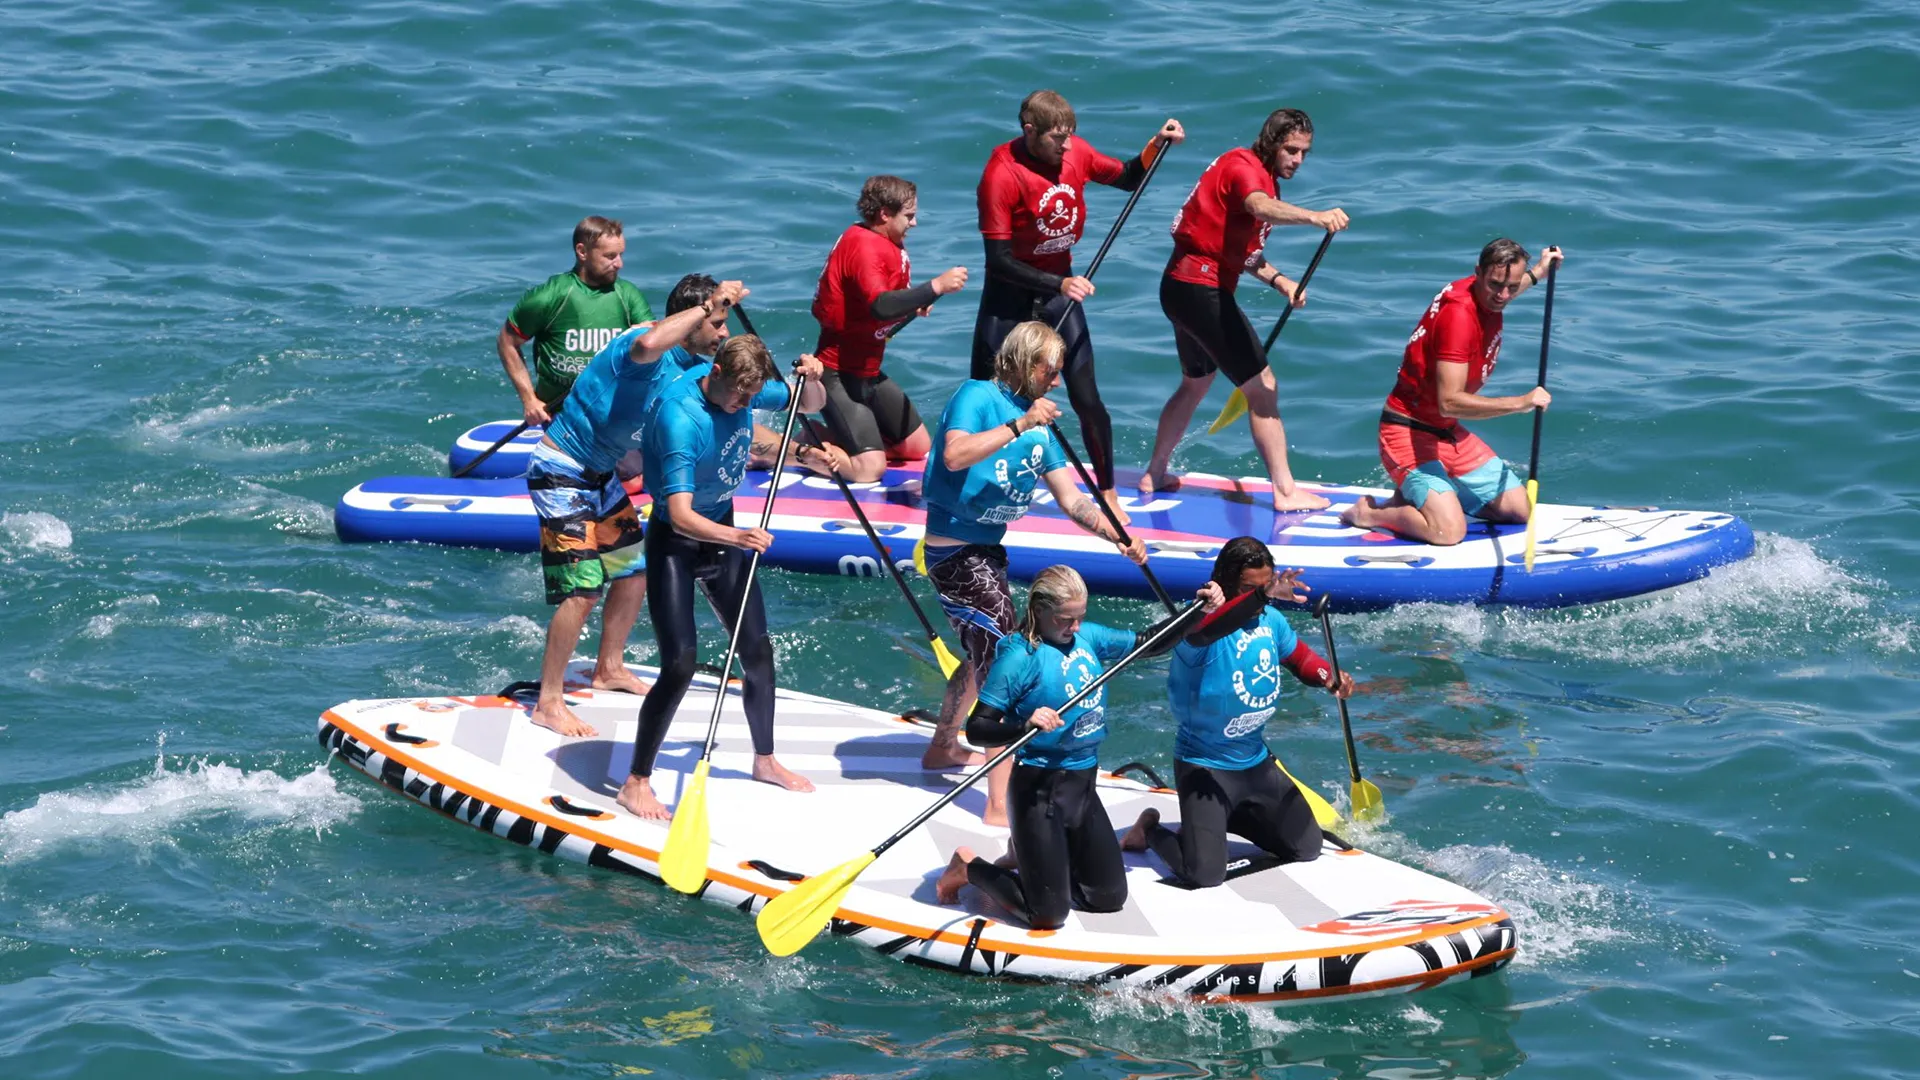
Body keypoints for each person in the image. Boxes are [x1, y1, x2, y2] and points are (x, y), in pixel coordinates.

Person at [919, 321, 1147, 826]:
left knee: (982, 652)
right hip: (953, 551)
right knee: (1005, 656)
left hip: (989, 552)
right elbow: (954, 456)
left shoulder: (1042, 427)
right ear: (1024, 363)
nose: (1057, 381)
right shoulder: (978, 397)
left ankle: (941, 748)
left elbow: (1073, 501)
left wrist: (1116, 534)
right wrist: (1020, 425)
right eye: (1051, 371)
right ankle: (999, 805)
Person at [616, 336, 846, 820]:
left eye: (752, 396)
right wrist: (738, 536)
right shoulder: (680, 416)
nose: (745, 404)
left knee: (757, 650)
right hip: (677, 542)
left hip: (722, 529)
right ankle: (635, 782)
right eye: (740, 395)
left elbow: (808, 402)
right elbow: (680, 514)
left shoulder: (743, 386)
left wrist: (814, 378)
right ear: (716, 371)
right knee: (680, 664)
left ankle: (765, 760)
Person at [934, 566, 1224, 929]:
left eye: (1079, 617)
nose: (1074, 627)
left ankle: (1031, 857)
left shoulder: (1088, 637)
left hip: (1082, 787)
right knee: (1047, 915)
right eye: (1065, 619)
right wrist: (1024, 726)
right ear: (1039, 611)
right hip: (1038, 790)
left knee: (1107, 898)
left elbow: (1149, 642)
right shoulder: (1019, 657)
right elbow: (979, 728)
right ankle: (968, 867)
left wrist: (1197, 611)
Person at [522, 278, 749, 738]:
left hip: (600, 476)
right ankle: (548, 702)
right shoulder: (641, 342)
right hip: (560, 468)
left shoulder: (692, 368)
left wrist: (801, 451)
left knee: (633, 571)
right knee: (583, 590)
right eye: (717, 323)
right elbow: (648, 344)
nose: (724, 333)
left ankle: (608, 668)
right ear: (692, 320)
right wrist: (708, 304)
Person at [973, 90, 1185, 523]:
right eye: (1056, 138)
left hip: (1059, 295)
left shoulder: (1077, 152)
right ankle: (967, 476)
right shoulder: (1001, 173)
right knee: (983, 394)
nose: (1066, 145)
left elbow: (1128, 177)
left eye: (1069, 135)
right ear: (1029, 130)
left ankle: (1107, 492)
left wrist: (1156, 143)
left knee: (1087, 397)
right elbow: (999, 260)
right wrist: (1060, 282)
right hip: (1009, 296)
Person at [1142, 108, 1350, 510]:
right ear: (1271, 143)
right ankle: (1285, 492)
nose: (1298, 160)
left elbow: (1245, 254)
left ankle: (1155, 472)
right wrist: (1315, 216)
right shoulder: (1244, 169)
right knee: (1262, 386)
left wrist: (1282, 282)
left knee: (1196, 383)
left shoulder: (1261, 178)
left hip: (1179, 289)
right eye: (1291, 150)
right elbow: (1258, 206)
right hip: (1200, 291)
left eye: (1304, 152)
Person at [1120, 537, 1355, 888]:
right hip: (1204, 766)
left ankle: (1217, 821)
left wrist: (1329, 677)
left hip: (1255, 762)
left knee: (1307, 847)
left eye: (1267, 585)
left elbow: (1300, 658)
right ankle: (1151, 829)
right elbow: (1200, 635)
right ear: (1225, 583)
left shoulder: (1271, 620)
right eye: (1251, 589)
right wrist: (1260, 596)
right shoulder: (1196, 623)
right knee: (1204, 875)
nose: (1263, 597)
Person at [1340, 240, 1565, 545]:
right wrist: (1521, 403)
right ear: (1478, 273)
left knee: (1518, 510)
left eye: (1511, 287)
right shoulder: (1459, 318)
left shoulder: (1486, 293)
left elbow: (1505, 286)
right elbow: (1449, 402)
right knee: (1448, 532)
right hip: (1406, 432)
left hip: (1446, 433)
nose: (1503, 296)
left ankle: (1420, 497)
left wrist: (1538, 272)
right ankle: (1369, 513)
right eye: (1495, 285)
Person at [810, 174, 969, 482]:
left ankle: (847, 443)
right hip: (837, 374)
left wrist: (913, 303)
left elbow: (882, 301)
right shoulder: (864, 246)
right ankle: (802, 445)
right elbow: (880, 306)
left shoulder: (883, 242)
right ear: (885, 214)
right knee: (870, 470)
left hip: (868, 373)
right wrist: (935, 286)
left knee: (917, 447)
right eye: (909, 216)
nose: (915, 223)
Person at [497, 216, 654, 432]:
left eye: (620, 255)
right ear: (582, 252)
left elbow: (652, 343)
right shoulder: (549, 296)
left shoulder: (628, 295)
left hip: (613, 416)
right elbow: (507, 342)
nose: (619, 263)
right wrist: (529, 400)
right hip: (559, 418)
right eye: (610, 256)